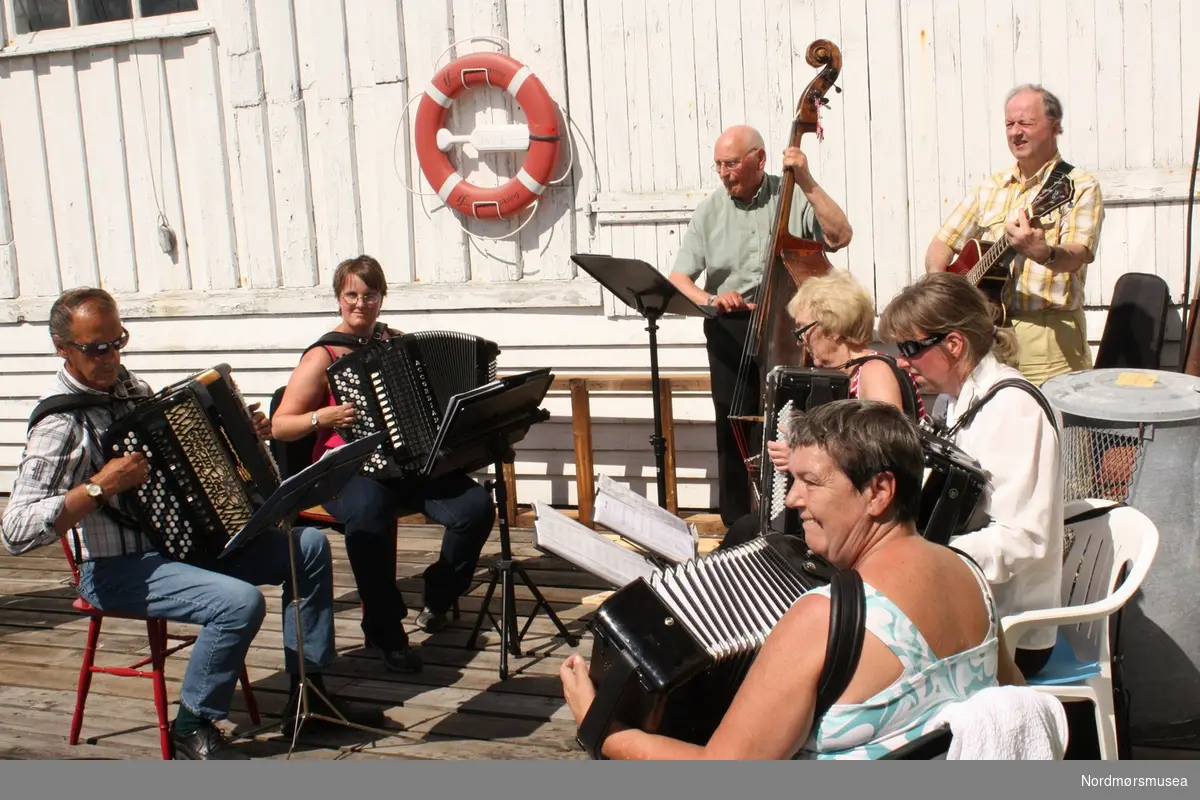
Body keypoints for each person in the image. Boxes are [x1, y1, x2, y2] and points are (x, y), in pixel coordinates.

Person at [0, 288, 363, 760]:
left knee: (309, 546)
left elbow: (181, 464)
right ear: (61, 348)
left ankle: (307, 695)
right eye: (96, 348)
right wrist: (97, 487)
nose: (111, 357)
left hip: (182, 546)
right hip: (116, 568)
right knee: (237, 602)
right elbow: (16, 531)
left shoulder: (133, 392)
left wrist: (238, 437)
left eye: (118, 341)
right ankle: (192, 723)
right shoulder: (60, 425)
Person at [560, 400, 1024, 759]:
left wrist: (602, 729)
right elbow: (1011, 695)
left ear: (879, 491)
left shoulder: (824, 619)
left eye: (811, 482)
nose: (794, 499)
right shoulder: (969, 575)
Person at [271, 255, 495, 673]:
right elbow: (281, 426)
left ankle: (440, 591)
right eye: (351, 295)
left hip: (405, 462)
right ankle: (384, 629)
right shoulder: (323, 355)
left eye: (369, 295)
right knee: (371, 515)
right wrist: (326, 417)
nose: (360, 303)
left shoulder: (396, 340)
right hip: (346, 468)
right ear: (339, 299)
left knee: (475, 508)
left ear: (381, 297)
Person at [878, 272, 1063, 678]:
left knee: (865, 648)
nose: (903, 361)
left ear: (954, 344)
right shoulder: (952, 402)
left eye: (910, 347)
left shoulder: (1015, 408)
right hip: (959, 606)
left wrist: (927, 560)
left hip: (1009, 630)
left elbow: (1024, 538)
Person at [668, 124, 853, 526]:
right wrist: (712, 299)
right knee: (732, 426)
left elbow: (840, 236)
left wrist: (805, 179)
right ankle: (738, 523)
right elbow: (679, 279)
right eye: (718, 165)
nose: (723, 173)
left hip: (790, 329)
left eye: (731, 163)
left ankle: (794, 518)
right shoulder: (709, 211)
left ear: (760, 160)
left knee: (793, 422)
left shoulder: (791, 196)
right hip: (731, 327)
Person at [719, 269, 926, 550]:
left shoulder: (874, 370)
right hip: (847, 507)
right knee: (747, 532)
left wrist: (799, 459)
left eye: (803, 330)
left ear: (833, 327)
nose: (799, 340)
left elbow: (883, 453)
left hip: (873, 522)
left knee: (748, 534)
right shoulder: (843, 375)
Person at [925, 84, 1104, 386]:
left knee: (1053, 427)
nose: (1015, 132)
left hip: (1049, 337)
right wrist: (947, 294)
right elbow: (941, 244)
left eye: (1026, 123)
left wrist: (1043, 253)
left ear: (1055, 127)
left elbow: (1077, 254)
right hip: (988, 335)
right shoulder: (991, 187)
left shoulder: (1078, 185)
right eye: (1009, 124)